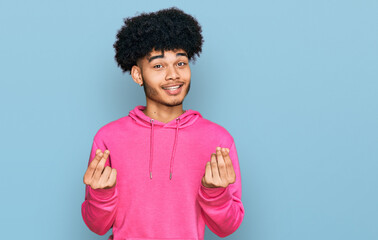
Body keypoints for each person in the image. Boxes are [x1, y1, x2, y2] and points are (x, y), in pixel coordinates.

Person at [81, 7, 245, 240]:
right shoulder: (108, 138)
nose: (173, 75)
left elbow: (227, 228)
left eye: (180, 63)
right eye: (158, 66)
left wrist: (215, 193)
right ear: (138, 75)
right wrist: (101, 195)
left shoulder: (217, 141)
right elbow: (96, 226)